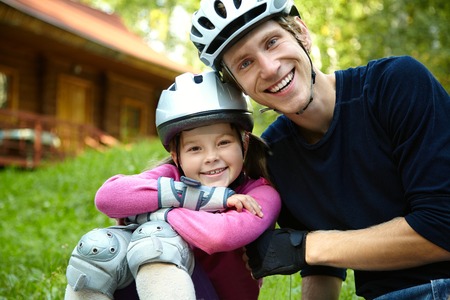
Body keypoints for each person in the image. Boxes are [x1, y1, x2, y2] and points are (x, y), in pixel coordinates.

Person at [190, 0, 450, 299]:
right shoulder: (275, 155)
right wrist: (307, 249)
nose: (270, 68)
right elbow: (322, 266)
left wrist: (305, 246)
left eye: (272, 42)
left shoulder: (395, 84)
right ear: (238, 87)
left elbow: (443, 227)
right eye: (245, 63)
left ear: (301, 33)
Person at [64, 70, 281, 300]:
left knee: (156, 238)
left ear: (244, 143)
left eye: (223, 142)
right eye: (195, 148)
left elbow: (220, 235)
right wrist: (194, 197)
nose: (211, 157)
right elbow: (107, 197)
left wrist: (157, 215)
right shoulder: (172, 177)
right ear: (176, 156)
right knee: (100, 249)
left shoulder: (260, 193)